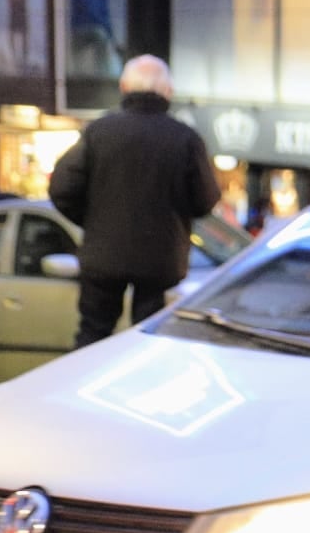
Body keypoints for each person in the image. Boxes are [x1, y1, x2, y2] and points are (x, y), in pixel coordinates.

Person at [48, 55, 220, 347]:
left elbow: (62, 188)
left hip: (103, 255)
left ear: (124, 86)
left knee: (93, 335)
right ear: (168, 91)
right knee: (147, 342)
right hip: (161, 260)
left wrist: (93, 219)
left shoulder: (98, 132)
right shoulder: (185, 139)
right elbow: (205, 200)